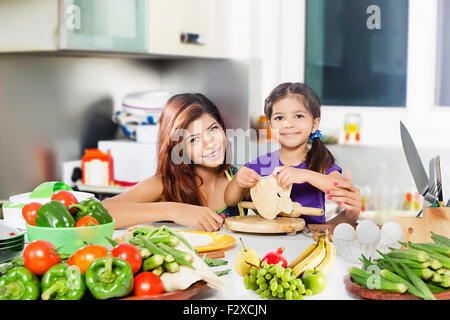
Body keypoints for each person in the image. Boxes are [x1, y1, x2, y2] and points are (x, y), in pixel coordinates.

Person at [102, 93, 246, 231]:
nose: (210, 143)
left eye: (213, 129)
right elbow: (99, 212)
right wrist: (173, 210)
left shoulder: (241, 179)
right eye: (194, 139)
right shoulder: (165, 185)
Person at [224, 82, 361, 225]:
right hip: (270, 241)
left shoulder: (320, 161)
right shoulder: (263, 163)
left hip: (310, 241)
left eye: (298, 116)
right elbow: (229, 200)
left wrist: (305, 175)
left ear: (314, 125)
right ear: (270, 125)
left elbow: (341, 187)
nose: (288, 124)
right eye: (279, 118)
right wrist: (239, 181)